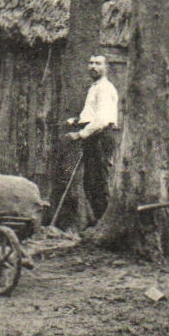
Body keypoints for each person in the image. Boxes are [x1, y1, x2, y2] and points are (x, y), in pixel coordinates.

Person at [65, 53, 120, 224]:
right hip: (94, 136)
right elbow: (93, 114)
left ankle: (103, 223)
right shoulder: (94, 87)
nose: (93, 67)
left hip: (100, 137)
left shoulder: (104, 88)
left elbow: (102, 119)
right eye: (91, 63)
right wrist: (78, 121)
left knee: (98, 183)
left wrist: (80, 134)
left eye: (98, 63)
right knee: (91, 182)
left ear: (106, 67)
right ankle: (97, 222)